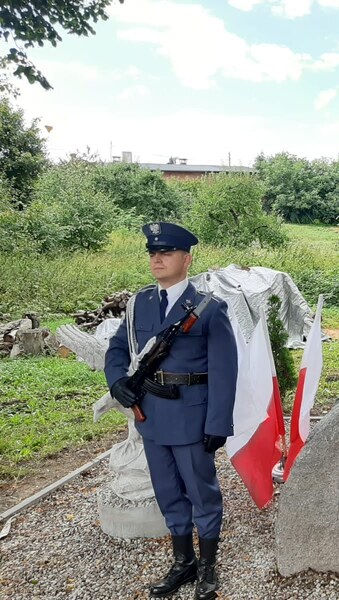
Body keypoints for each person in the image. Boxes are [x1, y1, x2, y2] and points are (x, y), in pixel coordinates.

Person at [104, 222, 237, 600]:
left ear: (186, 259)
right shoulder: (140, 303)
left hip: (193, 416)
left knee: (201, 492)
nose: (157, 258)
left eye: (166, 252)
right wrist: (117, 383)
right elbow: (117, 350)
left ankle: (208, 567)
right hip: (151, 415)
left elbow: (226, 371)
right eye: (152, 253)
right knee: (167, 492)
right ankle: (184, 562)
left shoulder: (209, 308)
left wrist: (219, 422)